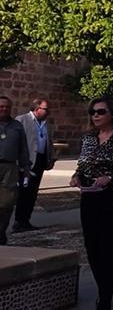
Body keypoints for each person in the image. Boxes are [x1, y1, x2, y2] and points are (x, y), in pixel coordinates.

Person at [69, 96, 113, 310]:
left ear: (112, 114)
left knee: (107, 247)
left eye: (100, 111)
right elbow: (83, 165)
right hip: (89, 196)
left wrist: (111, 177)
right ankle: (102, 286)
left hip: (111, 198)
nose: (95, 116)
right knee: (91, 247)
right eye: (92, 112)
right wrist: (77, 176)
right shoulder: (89, 138)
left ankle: (105, 296)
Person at [13, 98, 55, 232]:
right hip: (26, 162)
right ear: (37, 109)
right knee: (24, 193)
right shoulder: (22, 120)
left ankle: (25, 220)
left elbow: (48, 142)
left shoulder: (46, 124)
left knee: (32, 193)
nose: (48, 112)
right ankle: (19, 222)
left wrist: (50, 159)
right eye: (45, 109)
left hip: (40, 161)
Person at [0, 96, 30, 245]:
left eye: (7, 106)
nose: (4, 109)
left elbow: (23, 148)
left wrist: (26, 168)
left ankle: (1, 232)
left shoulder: (17, 126)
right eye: (1, 106)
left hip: (10, 168)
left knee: (7, 203)